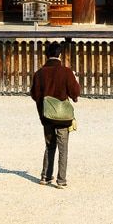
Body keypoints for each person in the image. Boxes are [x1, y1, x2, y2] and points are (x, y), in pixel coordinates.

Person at [29, 42, 81, 187]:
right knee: (63, 148)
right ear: (60, 55)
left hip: (47, 115)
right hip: (63, 117)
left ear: (46, 55)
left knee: (50, 146)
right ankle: (61, 180)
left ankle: (45, 176)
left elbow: (34, 94)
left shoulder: (39, 73)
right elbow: (75, 92)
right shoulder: (66, 72)